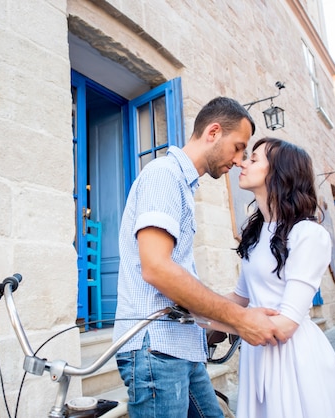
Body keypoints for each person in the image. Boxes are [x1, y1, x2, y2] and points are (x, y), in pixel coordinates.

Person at [112, 97, 286, 418]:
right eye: (237, 147)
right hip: (156, 351)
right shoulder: (164, 175)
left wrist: (216, 322)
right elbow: (157, 269)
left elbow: (177, 279)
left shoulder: (182, 184)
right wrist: (239, 318)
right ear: (213, 132)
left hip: (181, 348)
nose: (238, 161)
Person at [228, 137, 335, 417]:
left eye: (254, 159)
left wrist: (223, 321)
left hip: (291, 358)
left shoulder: (308, 234)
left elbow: (286, 325)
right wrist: (191, 309)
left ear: (278, 173)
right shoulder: (256, 234)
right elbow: (239, 298)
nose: (243, 163)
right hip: (256, 353)